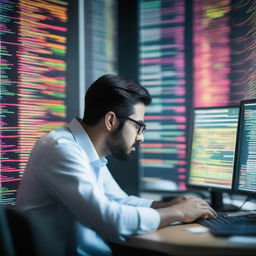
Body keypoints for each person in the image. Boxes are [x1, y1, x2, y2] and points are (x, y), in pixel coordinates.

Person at [15, 74, 216, 256]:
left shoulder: (86, 152)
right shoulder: (60, 149)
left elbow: (119, 201)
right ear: (111, 120)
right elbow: (110, 219)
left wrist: (166, 205)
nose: (141, 138)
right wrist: (179, 212)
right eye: (139, 126)